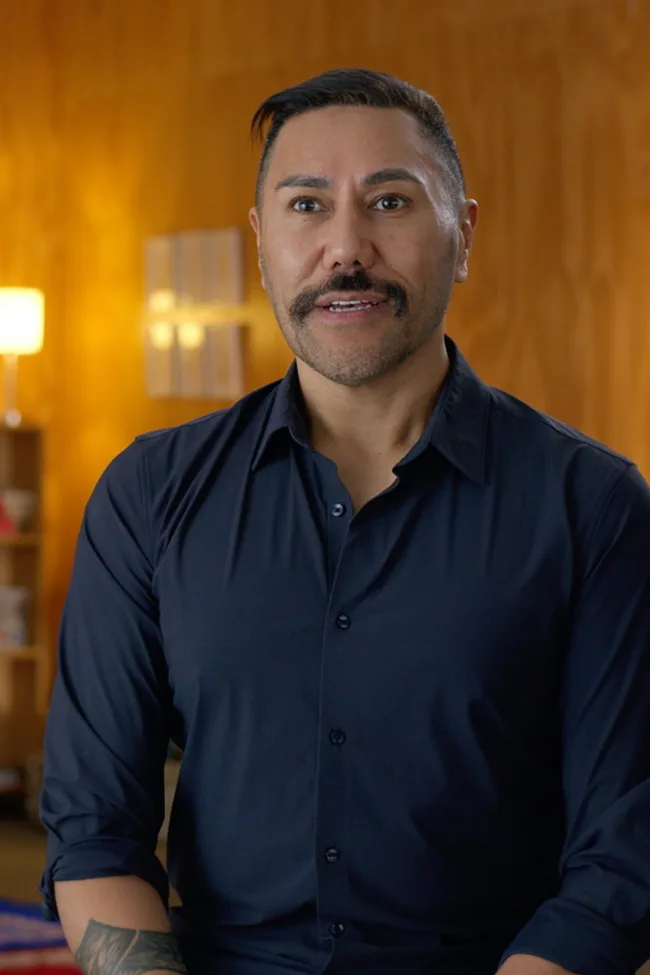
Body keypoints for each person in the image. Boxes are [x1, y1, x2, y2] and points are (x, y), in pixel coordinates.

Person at [40, 68, 650, 975]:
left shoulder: (593, 506)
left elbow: (622, 863)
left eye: (391, 201)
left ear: (465, 235)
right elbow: (95, 832)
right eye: (306, 205)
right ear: (261, 243)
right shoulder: (147, 494)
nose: (346, 247)